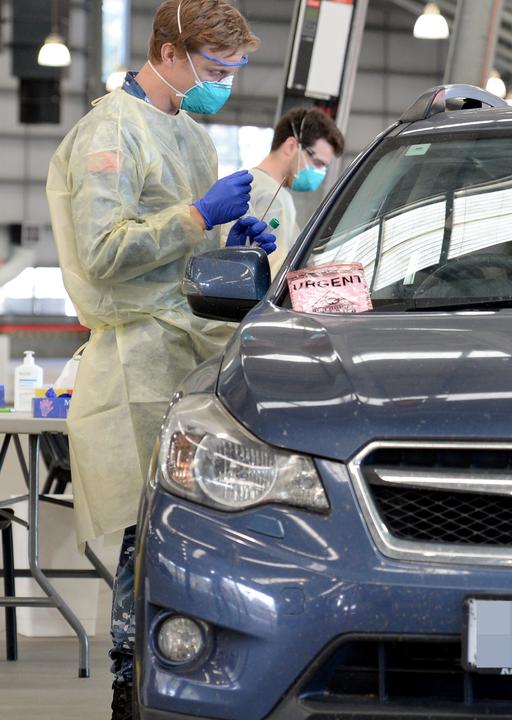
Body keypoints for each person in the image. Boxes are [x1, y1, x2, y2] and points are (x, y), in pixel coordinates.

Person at [44, 1, 272, 717]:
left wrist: (237, 244)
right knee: (150, 539)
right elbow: (106, 254)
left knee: (205, 533)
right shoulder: (110, 131)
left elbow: (188, 257)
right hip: (140, 362)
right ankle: (127, 687)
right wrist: (199, 215)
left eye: (234, 72)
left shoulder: (193, 138)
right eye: (214, 68)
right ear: (169, 52)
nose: (224, 83)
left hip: (196, 358)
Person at [248, 107, 345, 277]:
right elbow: (272, 273)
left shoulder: (257, 184)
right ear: (291, 146)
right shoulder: (271, 196)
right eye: (317, 163)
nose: (320, 172)